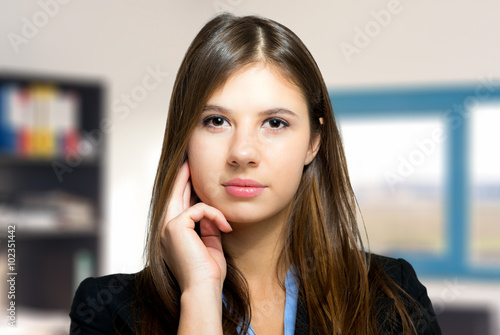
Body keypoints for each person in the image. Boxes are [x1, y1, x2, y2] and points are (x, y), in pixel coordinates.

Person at [69, 13, 441, 335]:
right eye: (216, 121)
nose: (242, 152)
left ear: (314, 142)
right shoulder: (107, 312)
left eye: (275, 123)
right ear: (184, 137)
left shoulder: (393, 294)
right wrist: (199, 293)